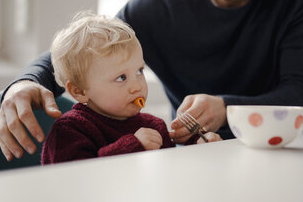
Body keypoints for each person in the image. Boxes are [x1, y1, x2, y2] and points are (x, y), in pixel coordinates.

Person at [0, 0, 303, 161]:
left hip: (273, 154)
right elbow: (84, 51)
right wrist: (25, 81)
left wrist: (226, 110)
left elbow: (300, 96)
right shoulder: (160, 6)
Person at [41, 12, 221, 164]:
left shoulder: (153, 125)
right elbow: (76, 181)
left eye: (139, 71)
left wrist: (199, 146)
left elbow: (170, 171)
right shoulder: (70, 130)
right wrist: (133, 146)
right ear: (80, 91)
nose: (137, 86)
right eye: (121, 77)